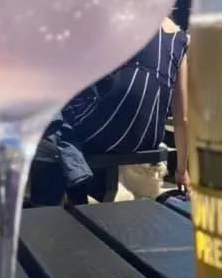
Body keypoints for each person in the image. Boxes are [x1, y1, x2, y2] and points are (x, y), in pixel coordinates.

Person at [64, 16, 189, 197]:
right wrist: (182, 170)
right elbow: (182, 117)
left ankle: (58, 197)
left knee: (55, 119)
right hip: (146, 138)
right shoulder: (181, 40)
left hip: (105, 129)